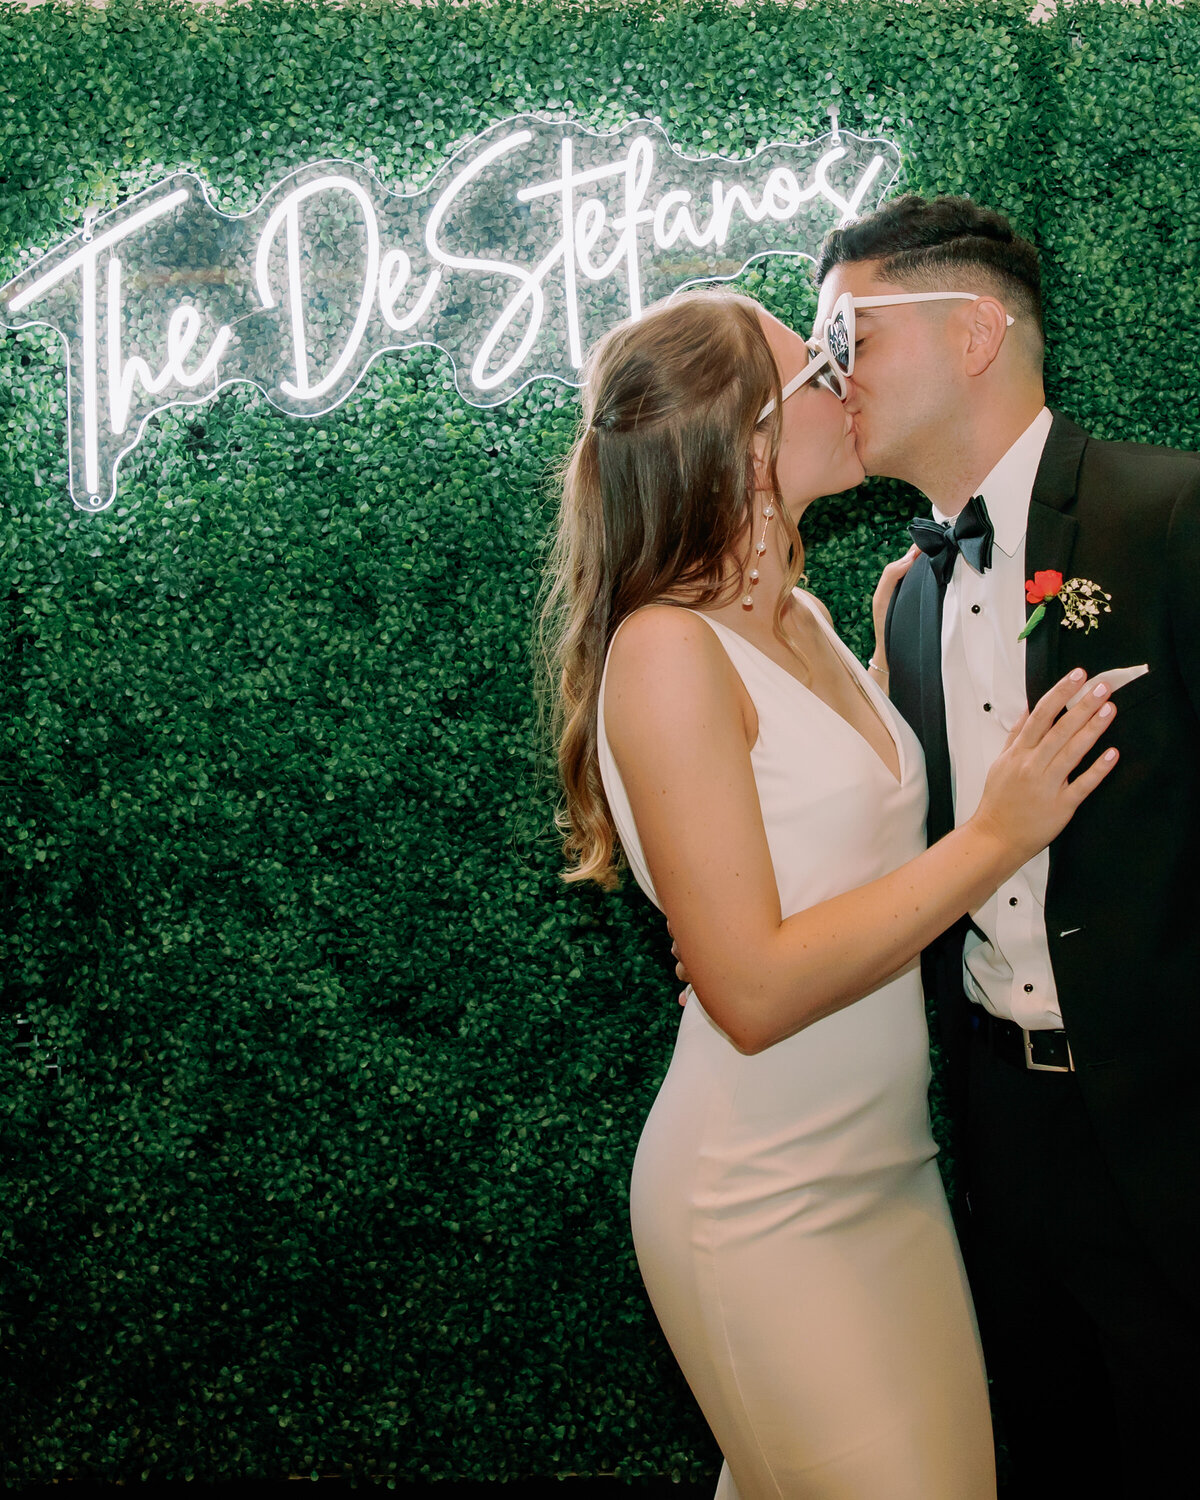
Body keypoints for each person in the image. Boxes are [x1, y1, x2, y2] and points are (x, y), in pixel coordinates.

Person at [540, 286, 1118, 1499]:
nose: (846, 386)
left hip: (889, 1170)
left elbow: (834, 877)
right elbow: (751, 990)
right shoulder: (664, 652)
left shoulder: (804, 616)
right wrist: (1000, 834)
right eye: (818, 374)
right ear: (748, 441)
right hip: (762, 1196)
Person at [804, 194, 1200, 1498]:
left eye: (849, 331)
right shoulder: (908, 598)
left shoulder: (1172, 516)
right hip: (999, 1132)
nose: (833, 373)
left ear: (974, 332)